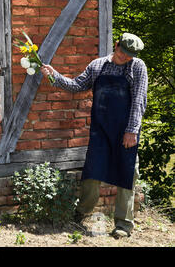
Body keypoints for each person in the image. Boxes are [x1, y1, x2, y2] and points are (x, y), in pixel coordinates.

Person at [41, 33, 148, 238]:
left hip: (126, 131)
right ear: (116, 45)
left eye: (129, 56)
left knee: (127, 174)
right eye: (122, 52)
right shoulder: (98, 66)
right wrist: (54, 75)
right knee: (92, 173)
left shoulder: (137, 67)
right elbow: (76, 85)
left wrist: (132, 130)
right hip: (100, 130)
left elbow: (138, 101)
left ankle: (123, 225)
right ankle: (82, 213)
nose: (125, 57)